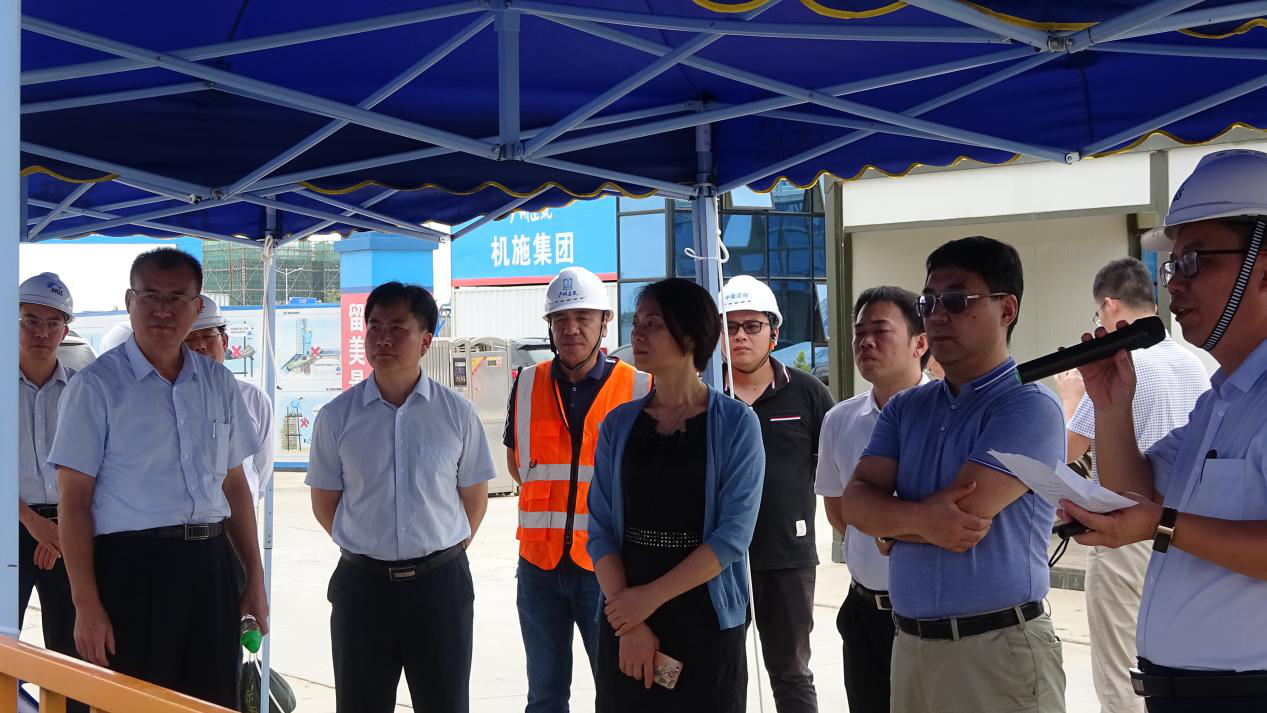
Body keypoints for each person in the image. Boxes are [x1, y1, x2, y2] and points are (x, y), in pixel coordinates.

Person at [1061, 149, 1267, 712]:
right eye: (1171, 266)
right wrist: (1111, 406)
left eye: (1193, 261)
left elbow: (1156, 517)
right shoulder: (1218, 399)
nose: (1173, 285)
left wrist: (1166, 524)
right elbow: (1136, 495)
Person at [842, 236, 1067, 713]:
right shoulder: (906, 407)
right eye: (929, 302)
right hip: (910, 644)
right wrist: (917, 520)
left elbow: (962, 519)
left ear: (1007, 309)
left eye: (957, 300)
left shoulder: (1029, 406)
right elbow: (855, 505)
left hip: (996, 649)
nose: (938, 315)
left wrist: (890, 522)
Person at [49, 249, 268, 707]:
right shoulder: (95, 387)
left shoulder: (218, 383)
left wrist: (253, 577)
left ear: (196, 305)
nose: (162, 310)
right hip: (133, 569)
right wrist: (85, 605)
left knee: (212, 699)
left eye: (176, 298)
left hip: (212, 565)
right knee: (136, 699)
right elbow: (74, 502)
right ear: (130, 301)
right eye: (150, 296)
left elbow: (235, 487)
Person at [306, 281, 497, 713]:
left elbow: (474, 498)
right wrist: (369, 544)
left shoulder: (457, 414)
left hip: (439, 588)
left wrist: (441, 551)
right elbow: (324, 503)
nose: (382, 339)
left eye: (397, 328)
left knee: (445, 704)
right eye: (374, 327)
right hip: (362, 589)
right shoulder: (336, 417)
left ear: (426, 341)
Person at [587, 278, 764, 713]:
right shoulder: (618, 425)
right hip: (625, 613)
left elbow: (733, 536)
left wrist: (647, 600)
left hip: (703, 615)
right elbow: (600, 530)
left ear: (689, 335)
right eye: (636, 322)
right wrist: (630, 621)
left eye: (653, 323)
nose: (638, 333)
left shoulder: (736, 424)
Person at [1059, 258, 1209, 713]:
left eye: (1097, 314)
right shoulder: (1193, 365)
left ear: (1109, 306)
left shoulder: (1121, 364)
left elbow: (1068, 449)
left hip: (1122, 532)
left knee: (1121, 673)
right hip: (1183, 533)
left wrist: (1070, 400)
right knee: (1169, 664)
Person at [504, 266, 651, 713]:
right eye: (560, 319)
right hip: (538, 567)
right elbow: (517, 465)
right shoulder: (526, 384)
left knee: (617, 691)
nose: (571, 328)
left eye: (583, 317)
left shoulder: (639, 387)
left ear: (605, 322)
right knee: (544, 696)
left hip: (606, 568)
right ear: (549, 325)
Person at [719, 274, 833, 713]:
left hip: (787, 556)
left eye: (752, 326)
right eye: (730, 326)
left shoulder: (807, 393)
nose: (740, 336)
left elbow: (834, 467)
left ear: (774, 332)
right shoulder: (705, 394)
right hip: (714, 559)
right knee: (722, 670)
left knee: (790, 671)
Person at [814, 286, 928, 713]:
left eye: (880, 330)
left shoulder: (948, 415)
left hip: (929, 614)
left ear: (920, 343)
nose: (865, 342)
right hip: (863, 610)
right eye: (859, 333)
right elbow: (837, 510)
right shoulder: (839, 419)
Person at [16, 273, 82, 672]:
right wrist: (30, 521)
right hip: (10, 528)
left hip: (69, 531)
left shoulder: (81, 391)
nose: (41, 332)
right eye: (30, 321)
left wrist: (56, 532)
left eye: (52, 323)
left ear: (65, 330)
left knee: (72, 652)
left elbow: (97, 469)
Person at [184, 296, 275, 505]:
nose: (199, 345)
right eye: (188, 339)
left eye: (208, 336)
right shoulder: (169, 399)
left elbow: (261, 468)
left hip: (240, 513)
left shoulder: (255, 399)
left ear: (224, 342)